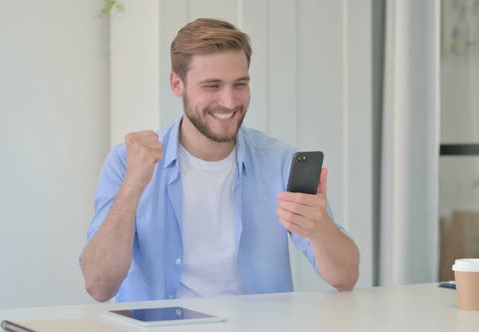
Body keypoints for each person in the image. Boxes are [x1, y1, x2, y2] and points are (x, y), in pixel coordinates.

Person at [80, 18, 359, 303]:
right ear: (177, 84)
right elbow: (99, 286)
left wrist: (320, 226)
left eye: (240, 84)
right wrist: (133, 186)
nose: (229, 101)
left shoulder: (278, 163)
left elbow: (346, 277)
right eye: (212, 86)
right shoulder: (127, 162)